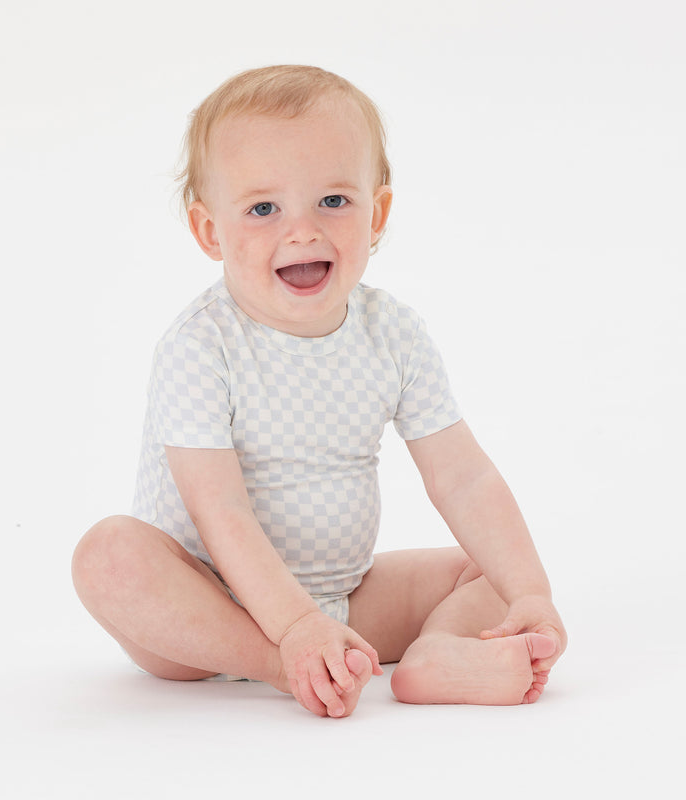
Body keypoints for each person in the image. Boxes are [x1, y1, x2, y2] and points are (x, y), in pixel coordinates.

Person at [71, 64, 567, 718]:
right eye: (263, 208)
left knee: (484, 572)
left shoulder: (393, 334)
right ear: (210, 231)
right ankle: (280, 664)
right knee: (108, 556)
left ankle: (439, 654)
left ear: (377, 213)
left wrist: (531, 590)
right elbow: (221, 511)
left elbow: (464, 479)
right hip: (208, 610)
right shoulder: (199, 347)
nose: (301, 231)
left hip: (348, 599)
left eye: (333, 201)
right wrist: (292, 631)